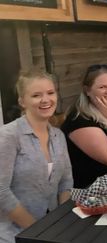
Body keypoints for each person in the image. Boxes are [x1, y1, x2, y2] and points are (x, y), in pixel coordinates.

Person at [0, 70, 73, 242]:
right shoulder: (8, 136)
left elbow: (66, 182)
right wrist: (38, 231)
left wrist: (62, 220)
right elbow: (1, 191)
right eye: (36, 95)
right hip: (14, 234)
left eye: (50, 93)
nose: (46, 100)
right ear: (22, 101)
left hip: (52, 231)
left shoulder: (58, 136)